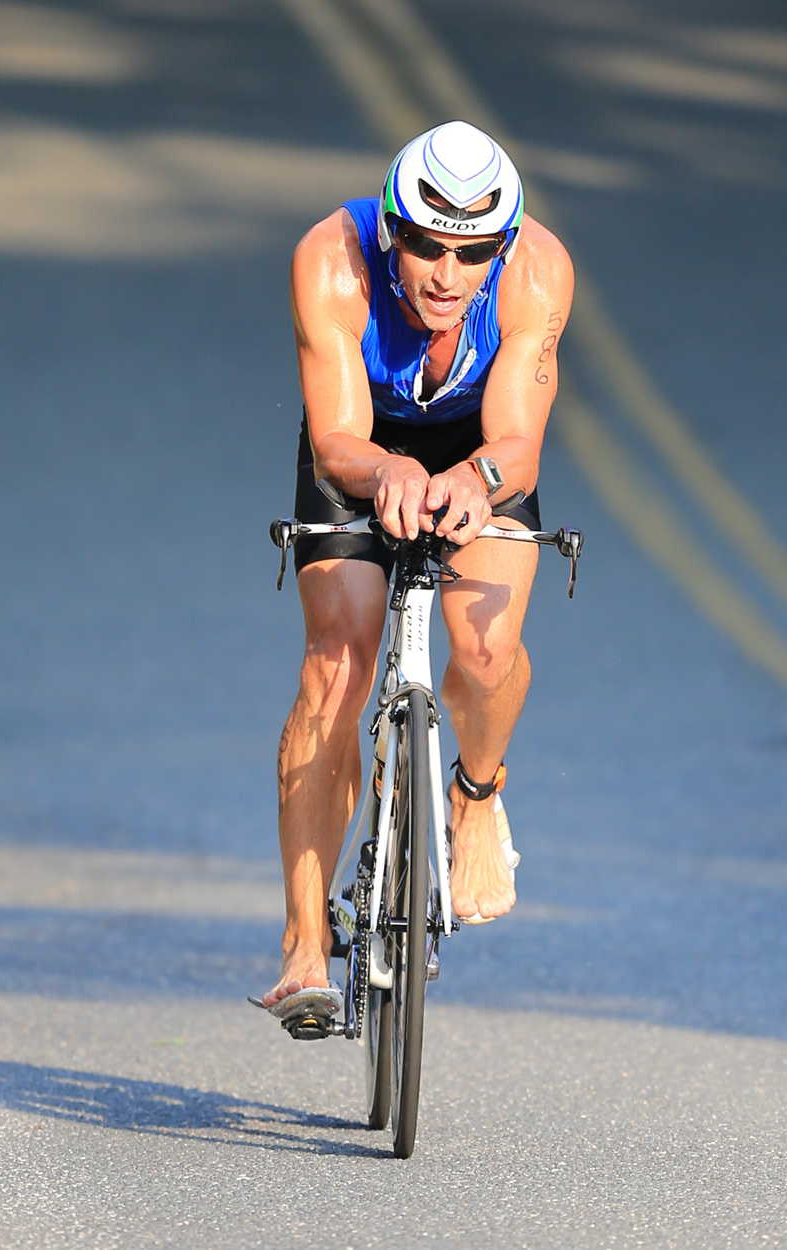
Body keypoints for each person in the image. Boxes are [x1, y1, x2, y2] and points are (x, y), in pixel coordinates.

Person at [261, 120, 574, 1019]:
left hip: (484, 447)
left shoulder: (537, 272)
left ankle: (475, 793)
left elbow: (521, 444)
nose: (446, 275)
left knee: (484, 649)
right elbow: (334, 439)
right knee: (339, 662)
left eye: (472, 253)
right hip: (363, 442)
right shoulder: (330, 260)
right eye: (427, 246)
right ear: (391, 229)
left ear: (502, 247)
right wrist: (388, 470)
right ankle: (305, 944)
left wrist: (473, 478)